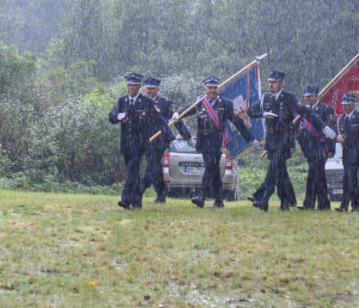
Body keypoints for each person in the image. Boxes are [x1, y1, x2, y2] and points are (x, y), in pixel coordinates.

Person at [244, 71, 336, 211]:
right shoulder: (266, 98)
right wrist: (262, 114)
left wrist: (323, 127)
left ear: (281, 83)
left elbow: (306, 112)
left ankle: (263, 196)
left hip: (284, 138)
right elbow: (250, 111)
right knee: (280, 171)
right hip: (271, 140)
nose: (271, 85)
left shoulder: (289, 98)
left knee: (274, 166)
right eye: (269, 82)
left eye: (274, 82)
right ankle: (286, 202)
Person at [177, 77, 259, 208]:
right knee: (214, 170)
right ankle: (219, 201)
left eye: (215, 88)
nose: (212, 91)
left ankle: (201, 195)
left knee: (210, 166)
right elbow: (185, 111)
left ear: (218, 88)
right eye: (210, 88)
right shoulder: (199, 103)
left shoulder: (226, 104)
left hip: (216, 140)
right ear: (205, 89)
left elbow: (237, 123)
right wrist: (177, 113)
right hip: (203, 141)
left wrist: (250, 139)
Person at [109, 72, 164, 210]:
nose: (131, 88)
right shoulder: (122, 101)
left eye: (134, 85)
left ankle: (125, 199)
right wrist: (118, 117)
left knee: (133, 169)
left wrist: (171, 138)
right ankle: (137, 202)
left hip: (140, 144)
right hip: (126, 144)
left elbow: (160, 121)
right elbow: (111, 117)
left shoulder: (147, 102)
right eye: (129, 85)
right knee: (132, 172)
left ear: (139, 86)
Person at [141, 76, 191, 204]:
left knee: (153, 164)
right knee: (154, 167)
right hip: (145, 140)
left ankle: (139, 189)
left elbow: (176, 121)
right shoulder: (141, 102)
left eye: (152, 89)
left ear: (158, 89)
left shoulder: (165, 103)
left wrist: (187, 137)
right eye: (148, 89)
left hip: (160, 140)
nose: (149, 91)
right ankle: (161, 194)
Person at [295, 85, 337, 210]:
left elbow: (330, 130)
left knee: (313, 174)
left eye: (309, 96)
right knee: (319, 175)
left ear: (316, 96)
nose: (307, 98)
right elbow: (301, 130)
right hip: (309, 148)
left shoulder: (325, 109)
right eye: (305, 97)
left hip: (321, 147)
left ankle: (310, 203)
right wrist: (302, 145)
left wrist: (331, 149)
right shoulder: (304, 111)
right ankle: (323, 204)